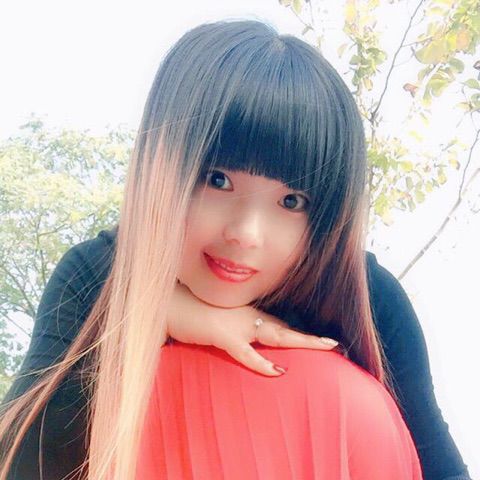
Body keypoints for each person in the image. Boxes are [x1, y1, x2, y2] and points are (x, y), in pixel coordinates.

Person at [0, 18, 471, 480]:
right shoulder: (97, 273)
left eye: (292, 201)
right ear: (160, 166)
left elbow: (438, 464)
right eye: (218, 179)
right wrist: (148, 312)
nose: (246, 233)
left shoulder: (364, 296)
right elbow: (22, 458)